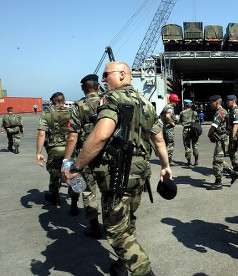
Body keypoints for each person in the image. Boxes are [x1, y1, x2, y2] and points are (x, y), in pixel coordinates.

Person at [63, 62, 171, 275]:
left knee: (116, 231)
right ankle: (122, 266)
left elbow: (102, 134)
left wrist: (76, 166)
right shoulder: (146, 103)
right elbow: (158, 139)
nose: (103, 80)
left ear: (122, 75)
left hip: (117, 175)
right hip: (140, 174)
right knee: (127, 221)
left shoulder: (111, 99)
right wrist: (166, 166)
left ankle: (142, 270)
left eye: (106, 75)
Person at [62, 74, 102, 238]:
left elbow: (72, 136)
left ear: (82, 88)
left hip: (85, 155)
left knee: (87, 190)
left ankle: (94, 226)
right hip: (108, 154)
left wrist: (66, 160)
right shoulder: (107, 101)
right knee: (109, 191)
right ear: (98, 87)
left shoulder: (78, 106)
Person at [37, 92, 79, 215]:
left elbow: (41, 133)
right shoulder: (72, 112)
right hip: (71, 149)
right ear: (64, 101)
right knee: (72, 176)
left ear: (53, 101)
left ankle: (55, 198)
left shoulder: (47, 113)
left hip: (54, 150)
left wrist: (38, 152)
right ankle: (74, 204)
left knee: (55, 175)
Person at [207, 95, 238, 190]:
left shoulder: (219, 113)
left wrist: (209, 135)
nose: (210, 104)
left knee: (217, 160)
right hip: (223, 138)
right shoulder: (224, 111)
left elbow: (213, 127)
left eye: (211, 102)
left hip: (221, 139)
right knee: (219, 159)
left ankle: (218, 182)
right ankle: (232, 172)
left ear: (216, 103)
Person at [160, 93, 180, 165]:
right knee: (170, 143)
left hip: (165, 128)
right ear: (173, 101)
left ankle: (165, 159)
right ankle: (168, 161)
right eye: (176, 101)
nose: (177, 103)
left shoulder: (166, 106)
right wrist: (172, 123)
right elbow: (168, 116)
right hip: (169, 129)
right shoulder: (170, 108)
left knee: (165, 144)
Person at [179, 99, 199, 166]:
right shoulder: (195, 112)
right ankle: (196, 161)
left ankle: (189, 161)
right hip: (194, 130)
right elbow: (197, 121)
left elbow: (180, 121)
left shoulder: (182, 113)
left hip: (186, 130)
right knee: (195, 146)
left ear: (185, 105)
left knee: (187, 146)